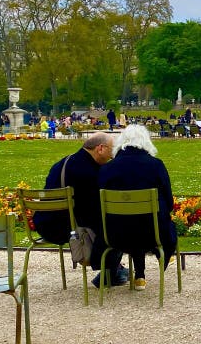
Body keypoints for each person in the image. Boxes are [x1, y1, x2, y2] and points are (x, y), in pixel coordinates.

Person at [39, 132, 128, 286]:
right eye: (112, 150)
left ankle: (112, 268)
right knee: (119, 224)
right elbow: (93, 211)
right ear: (100, 148)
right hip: (69, 229)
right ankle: (109, 271)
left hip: (46, 223)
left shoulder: (62, 163)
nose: (113, 156)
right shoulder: (91, 172)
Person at [98, 124, 177, 291]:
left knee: (130, 221)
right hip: (152, 234)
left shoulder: (107, 169)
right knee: (146, 221)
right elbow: (169, 202)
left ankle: (140, 276)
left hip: (115, 235)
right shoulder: (156, 165)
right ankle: (160, 256)